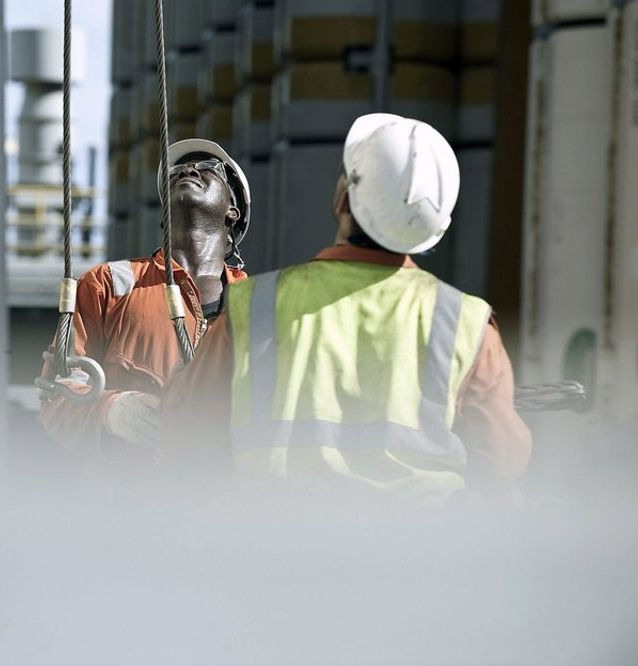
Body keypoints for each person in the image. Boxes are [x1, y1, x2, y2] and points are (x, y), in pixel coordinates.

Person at [161, 114, 532, 506]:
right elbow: (501, 464)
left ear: (343, 197)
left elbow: (188, 438)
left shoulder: (256, 306)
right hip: (419, 554)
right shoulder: (464, 323)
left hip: (276, 548)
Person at [39, 138, 251, 467]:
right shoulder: (108, 285)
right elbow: (56, 394)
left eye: (209, 168)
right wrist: (108, 411)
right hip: (131, 502)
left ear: (232, 211)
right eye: (177, 170)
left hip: (223, 502)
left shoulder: (258, 304)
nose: (189, 170)